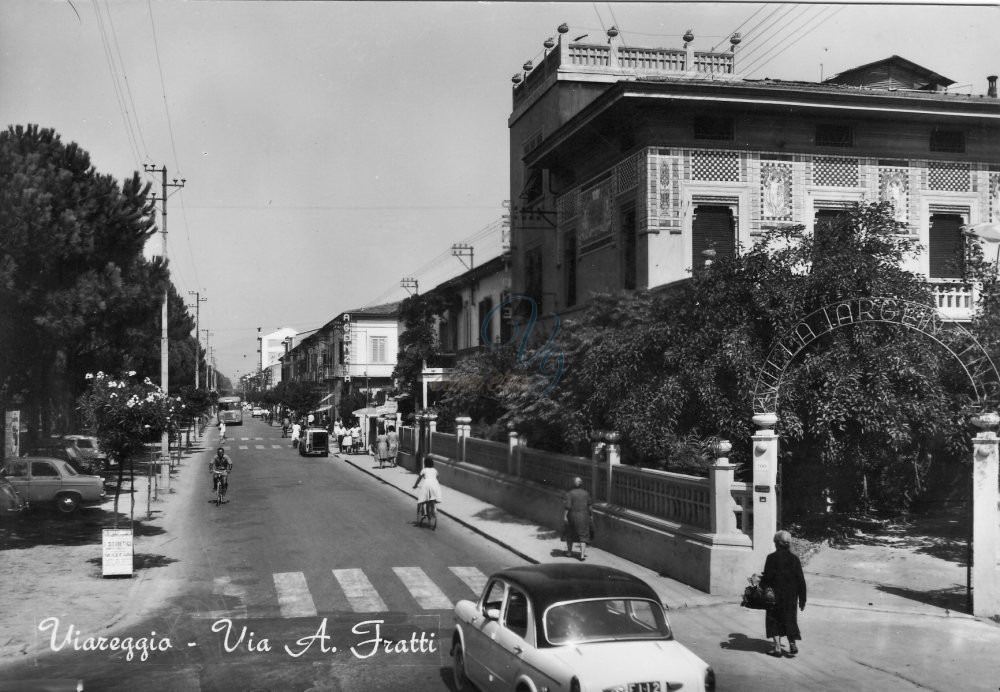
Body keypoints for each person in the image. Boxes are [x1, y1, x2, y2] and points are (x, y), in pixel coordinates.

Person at [760, 530, 807, 657]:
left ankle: (777, 648)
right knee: (790, 618)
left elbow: (767, 578)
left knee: (774, 619)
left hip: (775, 595)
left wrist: (760, 584)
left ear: (777, 543)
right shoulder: (795, 559)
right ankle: (792, 644)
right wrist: (803, 600)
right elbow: (801, 580)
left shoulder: (771, 558)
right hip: (791, 596)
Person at [563, 476, 593, 561]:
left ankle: (569, 552)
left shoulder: (570, 493)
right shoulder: (586, 493)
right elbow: (590, 506)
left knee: (569, 533)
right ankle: (582, 556)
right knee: (583, 536)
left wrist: (565, 516)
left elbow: (568, 506)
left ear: (573, 484)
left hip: (572, 516)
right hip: (584, 517)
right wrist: (591, 516)